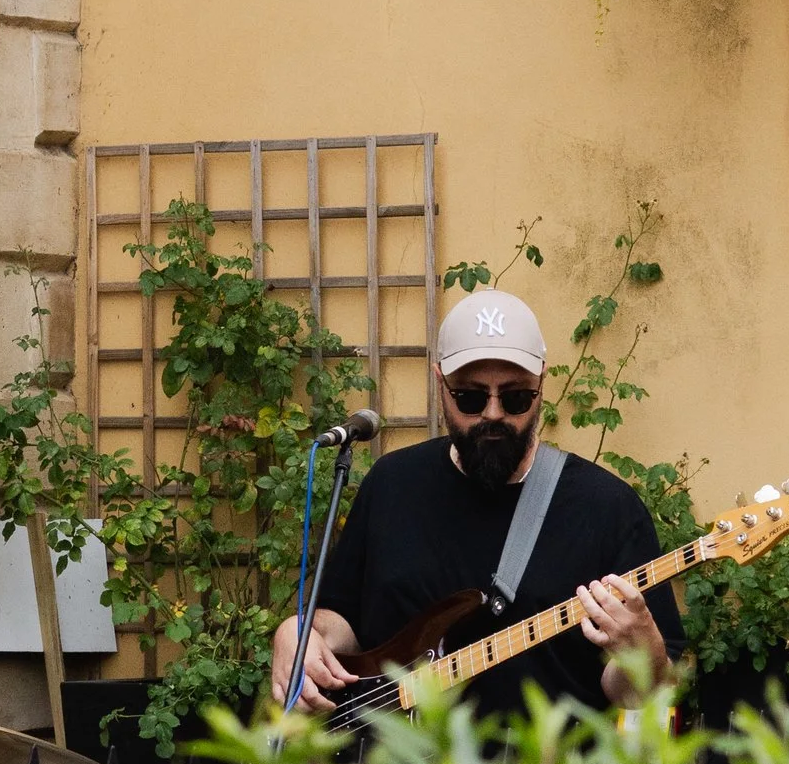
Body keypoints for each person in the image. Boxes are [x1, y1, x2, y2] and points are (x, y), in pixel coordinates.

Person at [270, 289, 677, 719]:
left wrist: (645, 652)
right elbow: (342, 623)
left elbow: (639, 698)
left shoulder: (607, 510)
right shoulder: (391, 484)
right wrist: (297, 633)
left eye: (516, 397)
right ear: (440, 382)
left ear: (542, 383)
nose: (494, 414)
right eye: (471, 397)